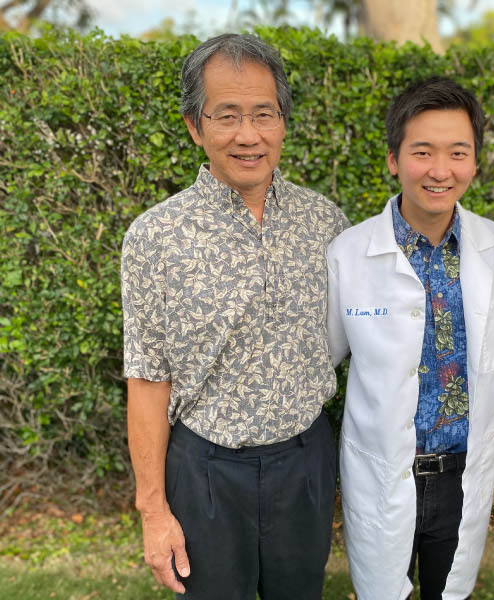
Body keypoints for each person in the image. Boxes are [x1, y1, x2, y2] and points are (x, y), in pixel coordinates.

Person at [121, 33, 349, 599]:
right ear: (195, 126)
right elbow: (148, 380)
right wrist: (153, 511)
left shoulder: (326, 224)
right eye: (227, 115)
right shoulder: (154, 237)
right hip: (204, 473)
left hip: (305, 463)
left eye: (263, 114)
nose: (248, 135)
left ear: (283, 123)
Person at [326, 76, 494, 600]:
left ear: (475, 161)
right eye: (422, 152)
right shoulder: (347, 253)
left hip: (462, 475)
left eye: (458, 152)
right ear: (393, 159)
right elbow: (320, 361)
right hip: (382, 473)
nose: (440, 170)